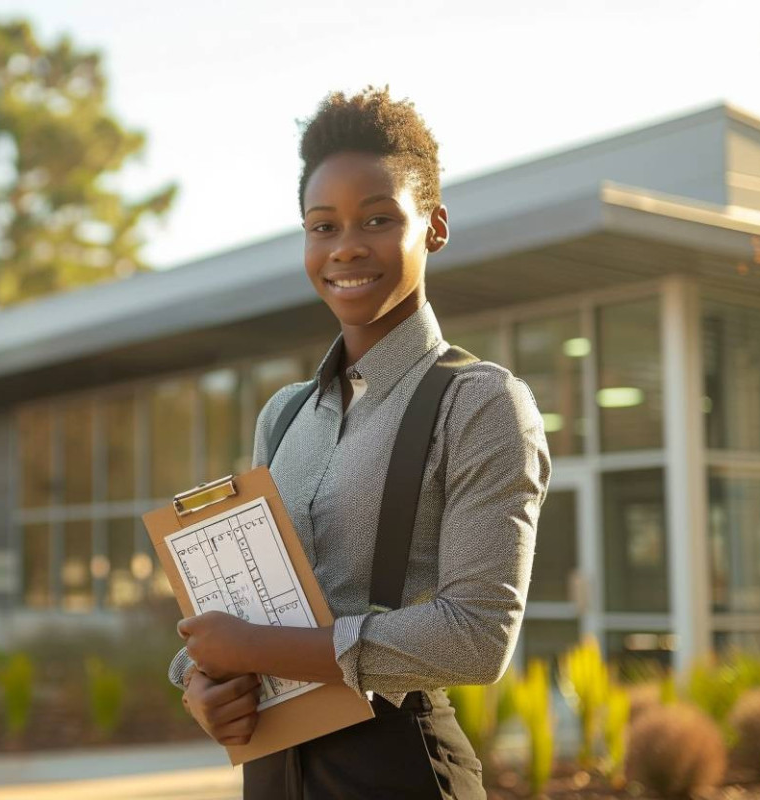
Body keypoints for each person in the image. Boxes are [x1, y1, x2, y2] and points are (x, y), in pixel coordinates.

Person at [166, 86, 552, 799]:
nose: (345, 247)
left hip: (399, 768)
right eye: (322, 226)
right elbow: (259, 611)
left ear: (434, 227)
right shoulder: (283, 416)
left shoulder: (481, 404)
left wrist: (256, 648)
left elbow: (477, 637)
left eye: (377, 219)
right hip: (274, 768)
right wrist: (203, 682)